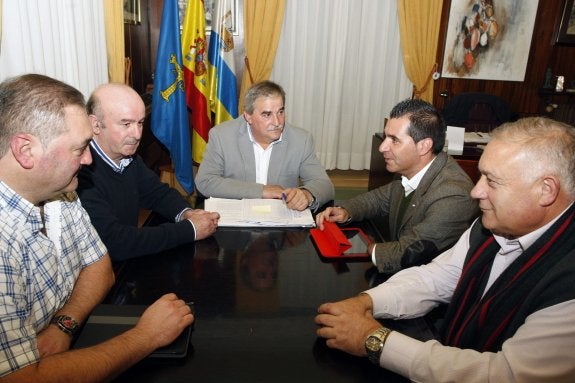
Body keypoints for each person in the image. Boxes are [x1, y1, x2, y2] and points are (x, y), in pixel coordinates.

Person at [315, 117, 575, 382]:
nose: (475, 191)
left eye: (491, 181)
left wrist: (375, 340)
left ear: (546, 191)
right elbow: (435, 278)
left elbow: (504, 374)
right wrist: (367, 302)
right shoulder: (489, 225)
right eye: (480, 176)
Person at [0, 74, 193, 381]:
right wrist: (146, 337)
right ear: (26, 151)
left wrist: (63, 325)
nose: (89, 159)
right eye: (79, 149)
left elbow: (101, 266)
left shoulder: (63, 191)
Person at [315, 98, 479, 273]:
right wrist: (346, 210)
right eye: (386, 137)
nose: (382, 147)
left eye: (394, 140)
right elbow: (377, 199)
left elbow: (410, 252)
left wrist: (371, 249)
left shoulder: (454, 195)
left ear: (424, 146)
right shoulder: (411, 169)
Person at [77, 83, 219, 262]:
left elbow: (157, 193)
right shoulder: (80, 172)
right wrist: (190, 230)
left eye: (140, 123)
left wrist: (186, 213)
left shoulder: (128, 158)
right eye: (126, 123)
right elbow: (116, 242)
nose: (136, 134)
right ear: (95, 125)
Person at [195, 80, 334, 212]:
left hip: (281, 222)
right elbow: (205, 181)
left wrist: (306, 195)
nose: (277, 122)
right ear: (248, 116)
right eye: (267, 114)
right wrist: (262, 190)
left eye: (280, 112)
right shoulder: (222, 136)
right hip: (236, 219)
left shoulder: (301, 140)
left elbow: (324, 184)